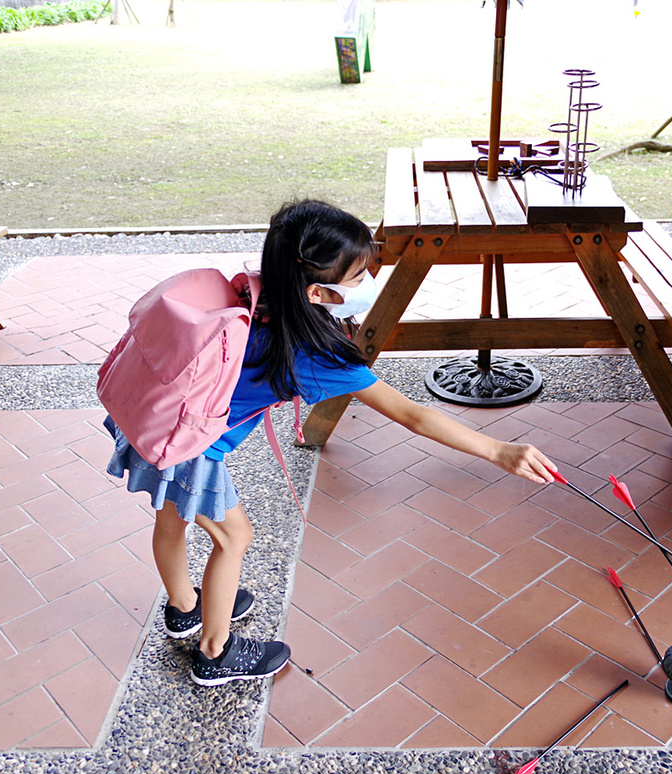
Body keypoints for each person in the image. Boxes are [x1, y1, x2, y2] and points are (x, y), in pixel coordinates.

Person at [104, 199, 557, 686]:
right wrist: (498, 450)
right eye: (359, 277)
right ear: (319, 290)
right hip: (190, 448)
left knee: (171, 521)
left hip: (154, 418)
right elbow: (413, 415)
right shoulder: (315, 356)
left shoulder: (258, 293)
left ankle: (185, 607)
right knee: (235, 537)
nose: (367, 285)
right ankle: (215, 653)